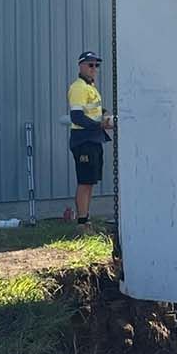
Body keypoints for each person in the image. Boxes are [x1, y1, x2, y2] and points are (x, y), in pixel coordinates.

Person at [66, 50, 112, 224]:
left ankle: (85, 217)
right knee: (84, 181)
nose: (94, 68)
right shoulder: (78, 88)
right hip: (83, 139)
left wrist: (108, 116)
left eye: (96, 65)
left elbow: (95, 110)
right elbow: (76, 117)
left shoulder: (90, 87)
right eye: (90, 65)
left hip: (93, 138)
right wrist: (99, 124)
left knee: (90, 181)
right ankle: (82, 222)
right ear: (81, 66)